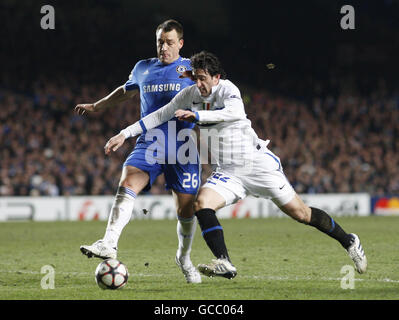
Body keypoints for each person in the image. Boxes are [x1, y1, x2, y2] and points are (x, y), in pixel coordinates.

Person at [104, 51, 368, 280]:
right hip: (228, 172)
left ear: (216, 77)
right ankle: (224, 261)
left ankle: (349, 241)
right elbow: (158, 115)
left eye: (203, 78)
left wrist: (196, 115)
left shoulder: (228, 90)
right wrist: (124, 134)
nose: (199, 83)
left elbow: (234, 114)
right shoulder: (189, 94)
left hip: (256, 164)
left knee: (301, 214)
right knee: (201, 204)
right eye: (195, 78)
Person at [75, 20, 202, 283]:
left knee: (186, 211)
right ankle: (109, 243)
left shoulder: (191, 68)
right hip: (151, 141)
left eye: (169, 42)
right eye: (160, 42)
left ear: (180, 43)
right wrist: (97, 106)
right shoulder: (143, 68)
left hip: (183, 146)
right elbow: (125, 91)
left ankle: (184, 258)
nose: (163, 47)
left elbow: (210, 94)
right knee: (129, 178)